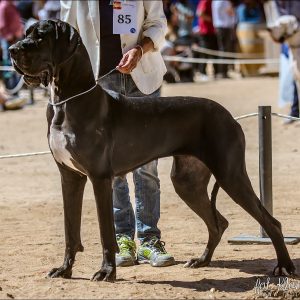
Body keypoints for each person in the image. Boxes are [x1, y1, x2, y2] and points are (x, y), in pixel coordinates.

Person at [60, 0, 175, 267]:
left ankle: (148, 240)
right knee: (109, 167)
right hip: (100, 82)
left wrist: (139, 49)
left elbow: (157, 23)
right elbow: (67, 33)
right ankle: (122, 239)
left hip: (144, 76)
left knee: (147, 164)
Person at [0, 0, 26, 106]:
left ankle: (14, 94)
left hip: (16, 40)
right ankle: (11, 93)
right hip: (9, 41)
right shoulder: (4, 6)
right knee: (9, 67)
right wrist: (9, 36)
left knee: (16, 66)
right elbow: (1, 25)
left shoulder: (12, 5)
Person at [212, 0, 237, 78]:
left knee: (223, 50)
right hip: (224, 28)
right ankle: (223, 72)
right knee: (224, 50)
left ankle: (222, 72)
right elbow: (230, 12)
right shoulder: (223, 1)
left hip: (220, 27)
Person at [195, 0, 219, 80]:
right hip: (205, 32)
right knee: (204, 53)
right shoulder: (205, 1)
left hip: (212, 32)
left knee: (215, 53)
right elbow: (200, 13)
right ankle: (202, 73)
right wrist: (213, 19)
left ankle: (216, 72)